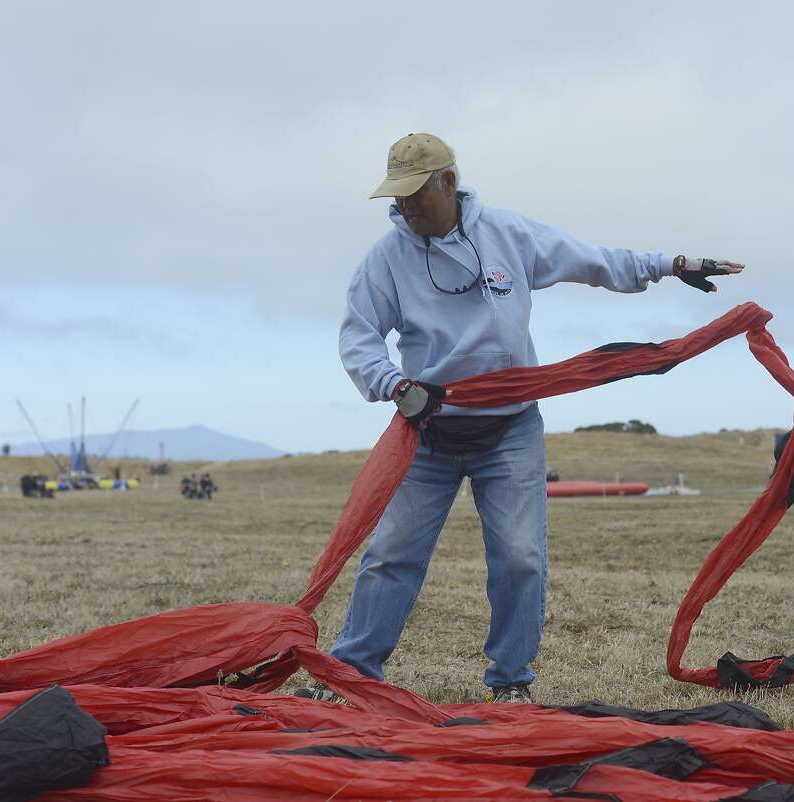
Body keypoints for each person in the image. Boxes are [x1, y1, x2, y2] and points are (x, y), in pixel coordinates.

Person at [307, 133, 743, 705]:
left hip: (509, 432)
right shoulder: (386, 260)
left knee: (520, 558)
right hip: (427, 432)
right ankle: (351, 678)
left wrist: (671, 264)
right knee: (391, 556)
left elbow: (595, 261)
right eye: (398, 196)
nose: (406, 206)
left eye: (416, 192)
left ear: (447, 181)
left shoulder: (509, 235)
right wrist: (394, 385)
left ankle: (510, 684)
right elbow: (358, 336)